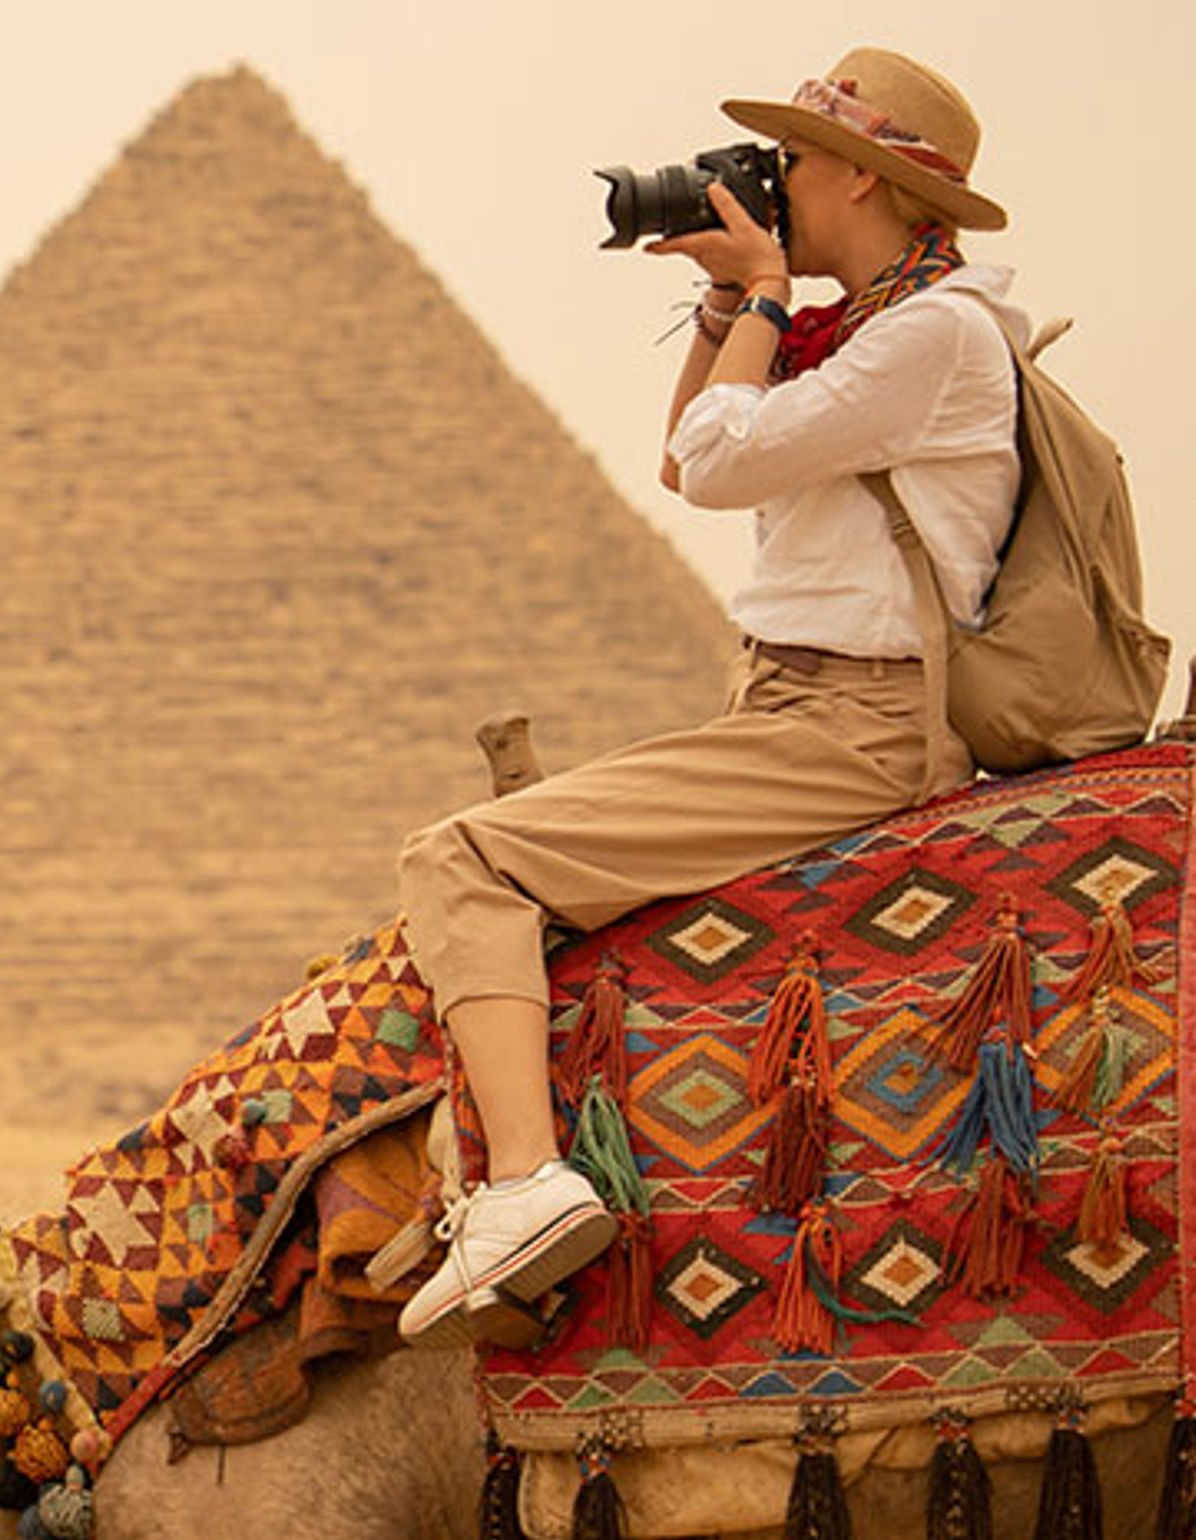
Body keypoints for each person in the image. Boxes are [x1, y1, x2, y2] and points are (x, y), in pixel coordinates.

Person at [395, 49, 1026, 1347]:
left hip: (853, 726)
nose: (773, 178)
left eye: (791, 158)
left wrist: (765, 298)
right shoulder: (866, 336)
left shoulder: (937, 335)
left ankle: (523, 1185)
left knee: (462, 860)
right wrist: (729, 303)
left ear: (861, 172)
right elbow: (690, 468)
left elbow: (717, 455)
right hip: (793, 711)